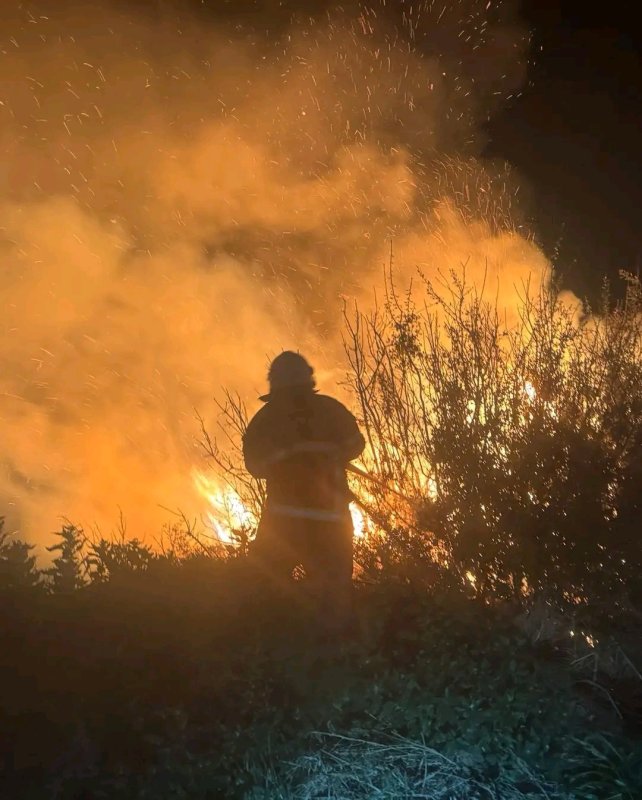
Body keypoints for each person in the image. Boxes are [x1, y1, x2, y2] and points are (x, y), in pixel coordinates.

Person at [242, 351, 365, 633]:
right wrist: (329, 454)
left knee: (264, 589)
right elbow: (356, 444)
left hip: (283, 524)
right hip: (332, 521)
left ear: (274, 384)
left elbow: (255, 466)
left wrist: (285, 460)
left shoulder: (265, 420)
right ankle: (340, 656)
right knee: (335, 598)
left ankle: (273, 651)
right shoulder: (331, 410)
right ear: (309, 380)